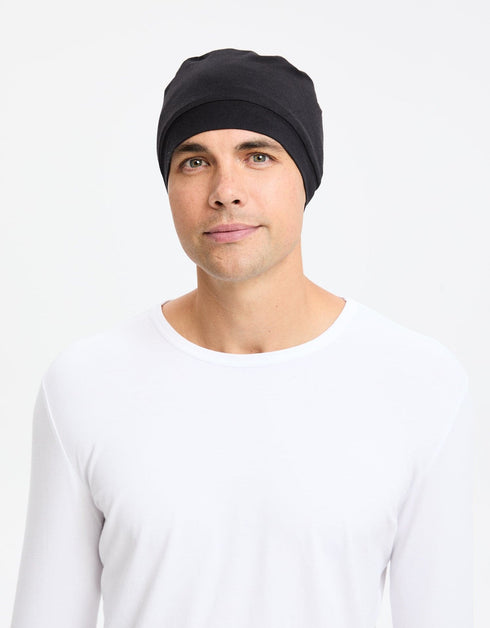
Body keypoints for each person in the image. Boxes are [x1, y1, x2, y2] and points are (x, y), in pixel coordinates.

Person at [11, 49, 474, 628]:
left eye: (258, 156)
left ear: (305, 178)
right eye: (194, 161)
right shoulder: (85, 384)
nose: (225, 190)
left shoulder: (419, 383)